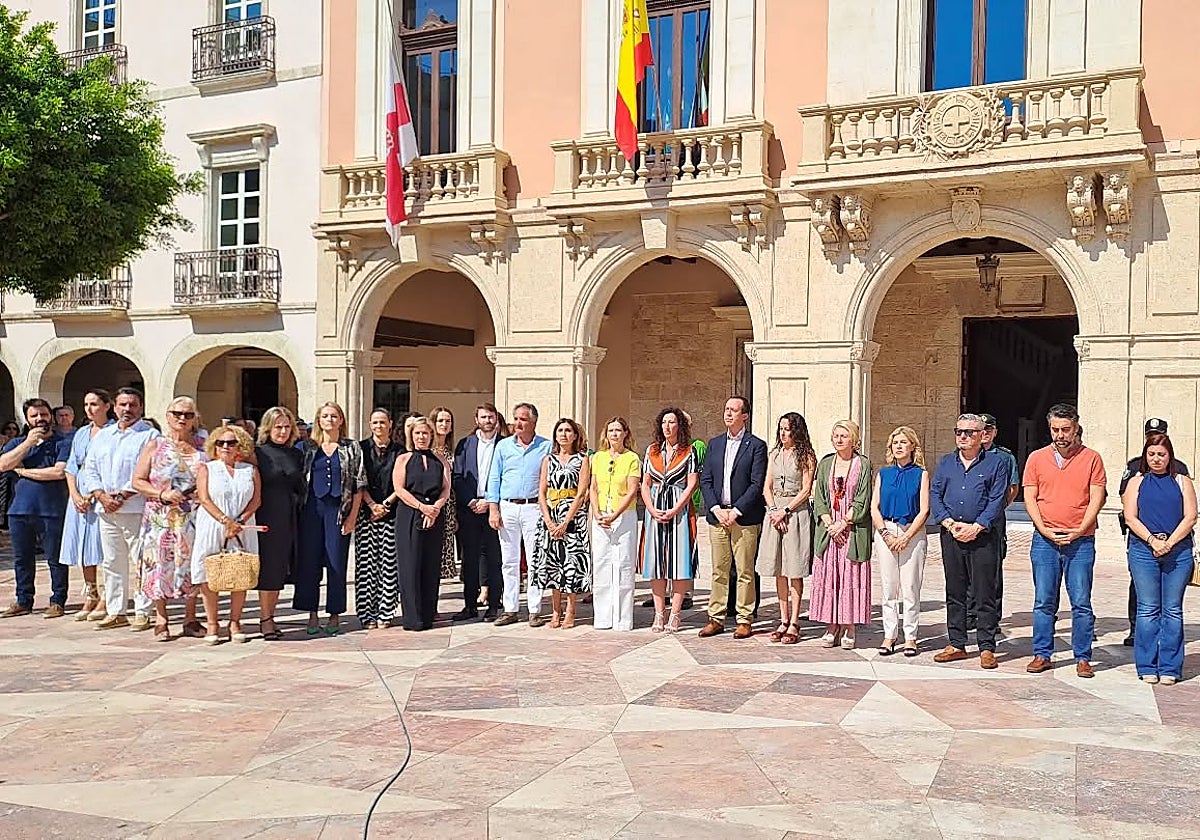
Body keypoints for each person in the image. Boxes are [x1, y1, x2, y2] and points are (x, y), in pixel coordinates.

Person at [1022, 403, 1106, 679]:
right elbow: (1030, 497)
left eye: (1066, 429)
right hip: (1045, 541)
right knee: (1044, 600)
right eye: (1055, 429)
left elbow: (1096, 497)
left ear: (1076, 428)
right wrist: (1043, 528)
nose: (1060, 435)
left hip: (1081, 541)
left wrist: (1081, 528)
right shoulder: (1036, 458)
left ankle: (1083, 657)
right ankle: (1041, 654)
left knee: (1081, 601)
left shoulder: (1092, 458)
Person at [930, 413, 1009, 668]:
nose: (963, 437)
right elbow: (935, 494)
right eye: (959, 432)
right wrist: (950, 524)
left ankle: (987, 646)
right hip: (952, 535)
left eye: (969, 433)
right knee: (955, 591)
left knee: (984, 591)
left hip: (983, 536)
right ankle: (956, 643)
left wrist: (976, 527)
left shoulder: (996, 463)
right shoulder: (945, 463)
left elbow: (998, 499)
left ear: (982, 435)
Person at [79, 387, 160, 630]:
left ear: (141, 407)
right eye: (123, 405)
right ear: (114, 406)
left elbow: (149, 470)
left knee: (141, 560)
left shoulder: (150, 435)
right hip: (106, 509)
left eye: (132, 405)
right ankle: (116, 611)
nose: (127, 409)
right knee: (112, 561)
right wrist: (100, 495)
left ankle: (143, 611)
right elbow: (90, 468)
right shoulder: (104, 435)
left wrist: (124, 494)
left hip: (136, 507)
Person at [1122, 432, 1196, 685]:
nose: (1156, 459)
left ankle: (1170, 667)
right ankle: (1146, 665)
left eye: (1161, 455)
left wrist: (1169, 543)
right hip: (1144, 550)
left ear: (1170, 456)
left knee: (1172, 610)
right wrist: (1153, 541)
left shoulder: (1182, 481)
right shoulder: (1137, 482)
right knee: (1148, 608)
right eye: (1151, 454)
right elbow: (1130, 517)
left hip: (1178, 551)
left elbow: (1190, 517)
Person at [129, 397, 206, 640]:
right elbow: (137, 481)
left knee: (191, 564)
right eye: (177, 413)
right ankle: (161, 618)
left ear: (195, 418)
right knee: (159, 565)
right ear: (168, 415)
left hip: (193, 515)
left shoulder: (204, 446)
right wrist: (161, 493)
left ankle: (190, 618)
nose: (182, 419)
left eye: (188, 414)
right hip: (160, 517)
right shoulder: (155, 445)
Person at [698, 397, 768, 639]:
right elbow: (706, 480)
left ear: (745, 416)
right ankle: (715, 617)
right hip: (718, 516)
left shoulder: (756, 445)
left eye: (734, 410)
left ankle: (744, 618)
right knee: (719, 569)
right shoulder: (715, 444)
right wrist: (716, 508)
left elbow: (756, 483)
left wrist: (737, 510)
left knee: (745, 570)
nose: (728, 414)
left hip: (744, 517)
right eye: (726, 409)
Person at [295, 402, 366, 636]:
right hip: (311, 512)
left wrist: (352, 517)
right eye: (325, 416)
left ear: (341, 420)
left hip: (338, 511)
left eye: (334, 416)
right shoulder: (307, 447)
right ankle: (311, 613)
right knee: (310, 564)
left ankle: (335, 613)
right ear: (318, 420)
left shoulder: (351, 448)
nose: (330, 420)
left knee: (336, 563)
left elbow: (359, 483)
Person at [1119, 418, 1188, 647]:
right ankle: (1135, 628)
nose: (1156, 457)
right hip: (1141, 538)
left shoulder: (1180, 469)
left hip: (1174, 542)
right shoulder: (1134, 466)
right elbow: (1126, 500)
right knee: (1139, 588)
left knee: (1171, 603)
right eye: (1150, 433)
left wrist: (1169, 541)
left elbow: (1188, 512)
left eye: (1158, 433)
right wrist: (1148, 537)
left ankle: (1165, 644)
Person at [0, 399, 72, 618]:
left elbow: (58, 473)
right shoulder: (17, 444)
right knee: (22, 559)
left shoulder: (63, 442)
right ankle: (24, 600)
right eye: (34, 416)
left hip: (52, 509)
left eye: (44, 414)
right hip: (19, 510)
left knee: (55, 558)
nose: (40, 419)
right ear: (27, 419)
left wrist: (22, 472)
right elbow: (3, 464)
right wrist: (28, 444)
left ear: (50, 415)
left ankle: (58, 600)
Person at [192, 424, 261, 645]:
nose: (225, 447)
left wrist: (239, 521)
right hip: (213, 524)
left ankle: (235, 621)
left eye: (231, 443)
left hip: (243, 526)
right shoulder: (207, 468)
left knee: (239, 570)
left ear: (240, 445)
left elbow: (256, 500)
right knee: (209, 573)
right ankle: (212, 622)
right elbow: (204, 498)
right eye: (221, 443)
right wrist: (226, 521)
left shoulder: (249, 470)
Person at [486, 402, 552, 627]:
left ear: (533, 421)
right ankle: (510, 608)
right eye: (515, 418)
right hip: (508, 507)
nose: (517, 423)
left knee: (535, 559)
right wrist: (493, 508)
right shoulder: (504, 446)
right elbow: (494, 478)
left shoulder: (546, 446)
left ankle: (534, 609)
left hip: (534, 507)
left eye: (523, 419)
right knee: (509, 561)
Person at [811, 420, 873, 649]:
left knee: (850, 576)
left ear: (854, 439)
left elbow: (863, 498)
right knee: (830, 576)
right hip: (829, 530)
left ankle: (849, 625)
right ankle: (831, 625)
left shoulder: (863, 464)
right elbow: (819, 498)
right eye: (835, 435)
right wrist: (830, 524)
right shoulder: (826, 463)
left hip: (852, 530)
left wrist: (844, 523)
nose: (838, 439)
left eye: (843, 436)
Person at [870, 425, 930, 657]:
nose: (898, 446)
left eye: (903, 442)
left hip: (911, 532)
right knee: (889, 587)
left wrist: (906, 536)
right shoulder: (883, 474)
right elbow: (874, 507)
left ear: (912, 446)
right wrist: (885, 533)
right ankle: (889, 634)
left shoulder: (921, 474)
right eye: (895, 442)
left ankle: (911, 637)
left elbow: (924, 510)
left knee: (910, 587)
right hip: (886, 530)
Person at [756, 412, 816, 645]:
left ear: (797, 431)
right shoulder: (775, 454)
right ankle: (782, 619)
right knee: (778, 568)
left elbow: (806, 489)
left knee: (794, 569)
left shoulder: (807, 456)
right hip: (774, 513)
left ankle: (794, 621)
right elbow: (767, 487)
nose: (783, 433)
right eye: (781, 428)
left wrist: (786, 511)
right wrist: (773, 511)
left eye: (788, 429)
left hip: (795, 512)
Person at [640, 408, 699, 634]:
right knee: (657, 563)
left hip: (679, 507)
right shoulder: (652, 450)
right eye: (664, 422)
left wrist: (676, 508)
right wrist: (651, 508)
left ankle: (675, 614)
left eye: (672, 422)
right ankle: (658, 614)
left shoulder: (688, 451)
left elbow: (691, 482)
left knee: (679, 562)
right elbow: (645, 483)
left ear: (679, 426)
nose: (667, 426)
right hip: (655, 506)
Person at [533, 418, 591, 629]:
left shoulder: (582, 459)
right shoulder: (548, 459)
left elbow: (581, 492)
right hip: (550, 513)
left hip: (572, 516)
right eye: (560, 431)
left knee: (571, 564)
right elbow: (541, 491)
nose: (564, 434)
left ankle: (570, 610)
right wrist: (548, 520)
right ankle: (555, 611)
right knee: (552, 563)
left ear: (575, 435)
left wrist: (567, 520)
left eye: (568, 431)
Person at [393, 415, 451, 631]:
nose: (421, 437)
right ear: (412, 435)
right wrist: (422, 507)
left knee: (430, 564)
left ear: (431, 435)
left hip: (435, 515)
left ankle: (428, 615)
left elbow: (446, 488)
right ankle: (413, 618)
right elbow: (399, 489)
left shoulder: (440, 460)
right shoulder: (403, 459)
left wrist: (435, 508)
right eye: (417, 433)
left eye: (425, 433)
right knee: (410, 565)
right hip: (410, 514)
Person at [61, 390, 115, 621]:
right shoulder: (82, 433)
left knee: (103, 547)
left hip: (101, 492)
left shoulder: (113, 432)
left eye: (94, 404)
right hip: (79, 493)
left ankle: (107, 596)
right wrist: (74, 494)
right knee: (83, 547)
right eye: (86, 404)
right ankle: (90, 592)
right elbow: (71, 466)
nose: (90, 409)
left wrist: (94, 494)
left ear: (106, 406)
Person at [254, 406, 305, 640]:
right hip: (265, 517)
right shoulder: (258, 453)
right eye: (278, 427)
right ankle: (265, 619)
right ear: (268, 428)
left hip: (289, 518)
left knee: (278, 571)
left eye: (287, 427)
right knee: (268, 570)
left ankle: (271, 616)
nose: (283, 431)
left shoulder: (296, 454)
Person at [966, 413, 1020, 630]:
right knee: (968, 569)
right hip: (969, 519)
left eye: (989, 429)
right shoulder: (966, 454)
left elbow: (1012, 488)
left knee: (993, 571)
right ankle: (969, 615)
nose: (985, 433)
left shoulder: (1005, 457)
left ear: (995, 432)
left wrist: (995, 509)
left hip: (994, 522)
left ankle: (992, 618)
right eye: (982, 429)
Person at [452, 403, 504, 621]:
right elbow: (457, 476)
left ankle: (494, 604)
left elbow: (506, 477)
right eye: (483, 417)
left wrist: (490, 502)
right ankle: (470, 605)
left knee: (495, 558)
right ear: (477, 420)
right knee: (470, 559)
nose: (487, 421)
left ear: (496, 419)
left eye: (491, 417)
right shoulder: (465, 444)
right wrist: (471, 500)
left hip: (494, 509)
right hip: (470, 509)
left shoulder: (505, 444)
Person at [589, 417, 641, 631]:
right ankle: (602, 617)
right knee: (601, 563)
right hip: (600, 515)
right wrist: (598, 512)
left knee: (623, 564)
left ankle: (622, 618)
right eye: (611, 430)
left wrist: (615, 514)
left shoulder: (632, 458)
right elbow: (593, 487)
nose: (614, 434)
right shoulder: (598, 457)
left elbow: (631, 490)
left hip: (623, 516)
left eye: (618, 430)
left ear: (626, 433)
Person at [355, 408, 402, 629]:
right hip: (366, 513)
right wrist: (372, 504)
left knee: (388, 566)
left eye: (383, 422)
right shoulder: (360, 449)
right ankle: (367, 614)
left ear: (390, 424)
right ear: (370, 425)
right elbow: (357, 480)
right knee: (366, 566)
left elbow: (402, 483)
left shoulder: (399, 451)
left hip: (390, 513)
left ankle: (386, 612)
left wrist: (385, 504)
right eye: (375, 422)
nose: (379, 426)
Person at [429, 406, 459, 581]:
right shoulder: (427, 449)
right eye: (440, 420)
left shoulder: (451, 451)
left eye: (448, 421)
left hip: (448, 507)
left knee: (443, 550)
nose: (444, 424)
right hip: (430, 505)